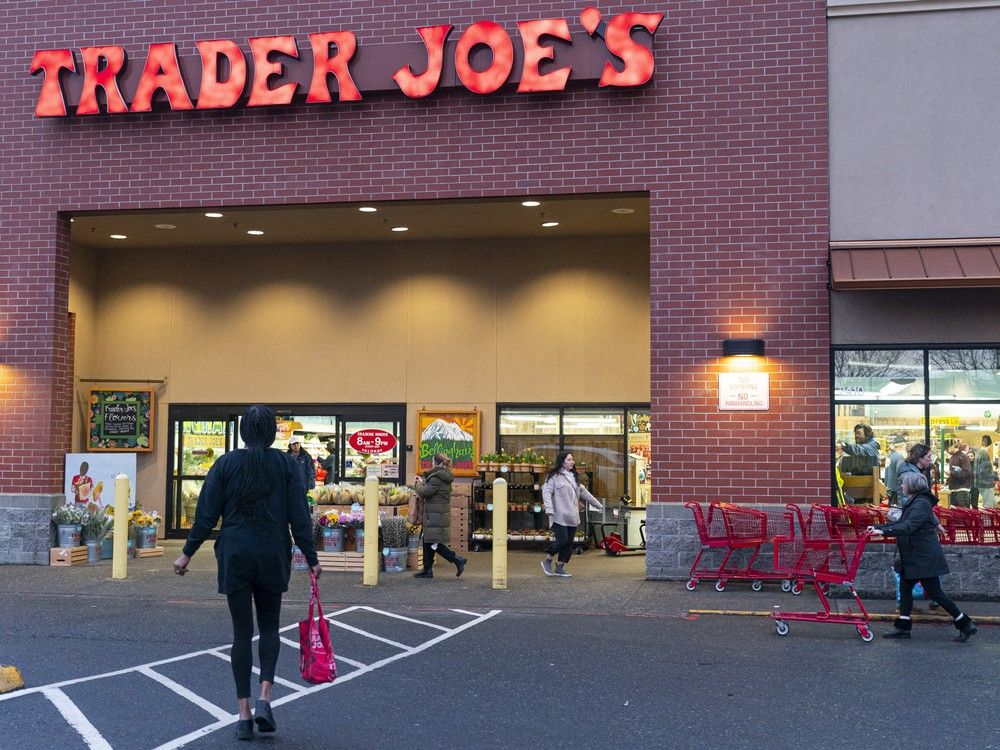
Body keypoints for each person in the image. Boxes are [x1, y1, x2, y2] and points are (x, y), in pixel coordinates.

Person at [173, 404, 321, 741]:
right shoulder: (285, 464)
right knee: (269, 628)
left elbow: (206, 516)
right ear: (271, 433)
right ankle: (265, 696)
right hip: (272, 553)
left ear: (242, 431)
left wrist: (186, 554)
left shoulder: (226, 464)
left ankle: (243, 714)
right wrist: (311, 558)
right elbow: (299, 516)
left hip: (235, 553)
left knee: (242, 634)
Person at [868, 472, 977, 642]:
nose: (902, 486)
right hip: (914, 555)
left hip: (923, 557)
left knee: (935, 593)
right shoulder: (915, 502)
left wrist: (883, 531)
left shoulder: (921, 504)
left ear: (911, 486)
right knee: (905, 590)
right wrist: (878, 527)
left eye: (903, 484)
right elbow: (901, 523)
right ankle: (903, 628)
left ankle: (965, 624)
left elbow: (910, 526)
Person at [541, 451, 604, 578]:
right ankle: (547, 560)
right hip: (559, 515)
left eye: (572, 460)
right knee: (562, 540)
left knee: (569, 544)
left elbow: (585, 494)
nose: (572, 462)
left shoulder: (574, 477)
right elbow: (546, 492)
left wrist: (600, 506)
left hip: (572, 516)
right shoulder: (553, 477)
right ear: (562, 461)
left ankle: (560, 567)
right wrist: (549, 508)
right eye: (569, 459)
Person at [412, 453, 466, 578]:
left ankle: (457, 559)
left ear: (436, 463)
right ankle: (427, 570)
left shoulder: (436, 478)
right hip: (437, 514)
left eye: (432, 462)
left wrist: (418, 484)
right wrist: (424, 481)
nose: (431, 464)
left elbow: (424, 492)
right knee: (428, 541)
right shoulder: (443, 476)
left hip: (435, 515)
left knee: (433, 543)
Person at [946, 442, 973, 508]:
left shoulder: (963, 456)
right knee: (955, 515)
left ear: (952, 446)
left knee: (963, 514)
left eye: (947, 448)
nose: (947, 451)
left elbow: (967, 473)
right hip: (953, 489)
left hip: (962, 490)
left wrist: (951, 473)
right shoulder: (953, 457)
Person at [974, 435, 998, 509]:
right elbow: (984, 471)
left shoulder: (978, 452)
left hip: (980, 482)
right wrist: (995, 475)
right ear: (989, 444)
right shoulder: (984, 454)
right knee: (989, 506)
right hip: (985, 483)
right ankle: (987, 521)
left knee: (993, 503)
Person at [883, 437, 906, 506]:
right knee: (897, 510)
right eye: (905, 445)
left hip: (889, 486)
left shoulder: (889, 456)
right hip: (897, 487)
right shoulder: (900, 457)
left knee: (891, 508)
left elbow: (886, 471)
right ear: (902, 446)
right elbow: (900, 472)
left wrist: (886, 485)